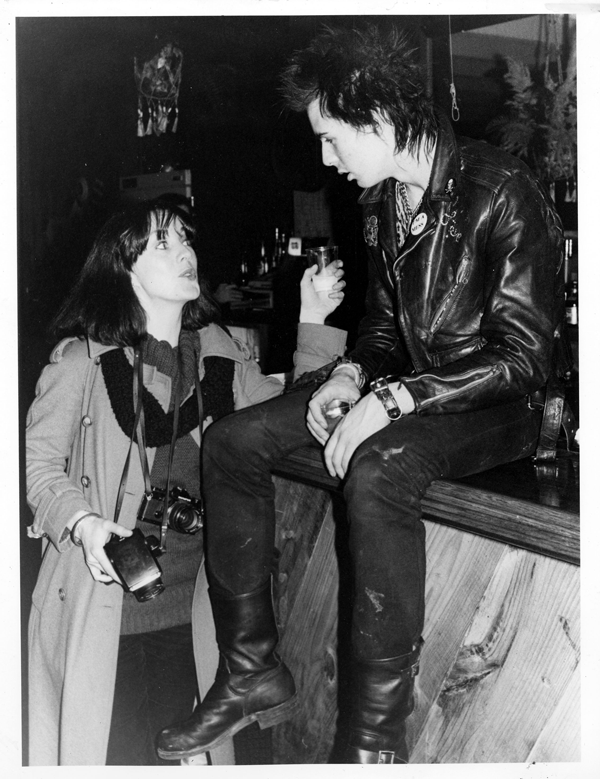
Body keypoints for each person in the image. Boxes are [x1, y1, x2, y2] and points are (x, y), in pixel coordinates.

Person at [156, 24, 571, 764]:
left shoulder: (501, 192)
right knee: (232, 441)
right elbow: (381, 329)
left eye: (331, 138)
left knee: (379, 469)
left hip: (497, 409)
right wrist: (351, 373)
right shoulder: (383, 204)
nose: (326, 159)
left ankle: (375, 743)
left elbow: (526, 359)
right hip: (409, 391)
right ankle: (252, 668)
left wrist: (399, 398)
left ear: (375, 117)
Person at [25, 199, 346, 766]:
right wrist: (84, 522)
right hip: (105, 620)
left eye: (186, 240)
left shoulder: (221, 356)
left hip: (201, 618)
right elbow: (38, 467)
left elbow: (304, 420)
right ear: (122, 268)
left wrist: (314, 320)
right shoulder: (82, 361)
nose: (185, 253)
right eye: (162, 244)